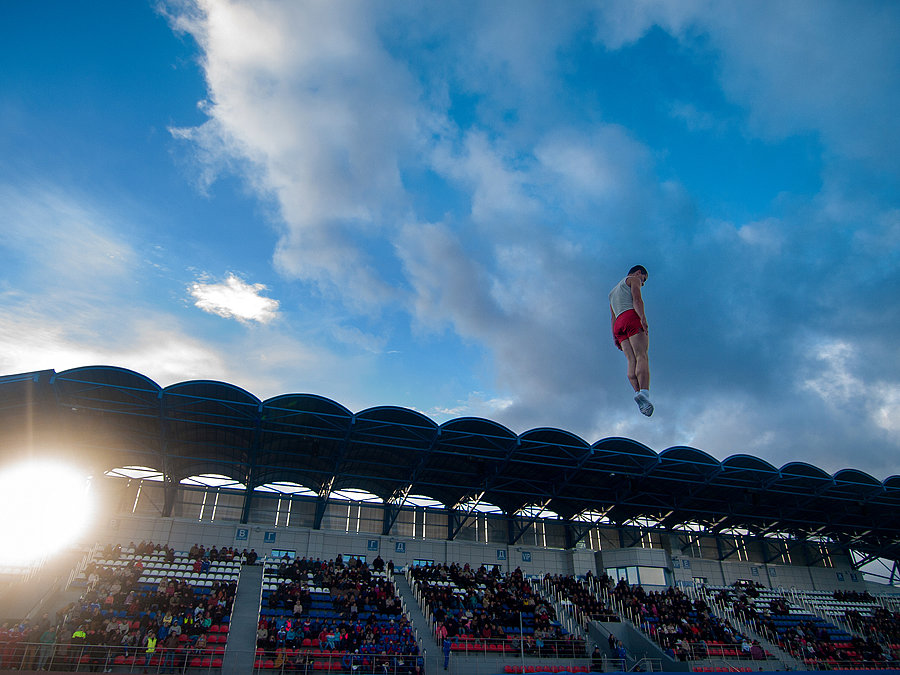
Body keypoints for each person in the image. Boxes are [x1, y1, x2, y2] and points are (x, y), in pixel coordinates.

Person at [609, 265, 653, 416]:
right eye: (644, 279)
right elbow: (637, 299)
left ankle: (637, 392)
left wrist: (615, 336)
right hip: (630, 317)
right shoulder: (633, 279)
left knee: (631, 360)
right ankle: (645, 393)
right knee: (642, 355)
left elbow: (613, 317)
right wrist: (643, 318)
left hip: (619, 324)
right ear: (639, 273)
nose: (643, 283)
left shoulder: (612, 293)